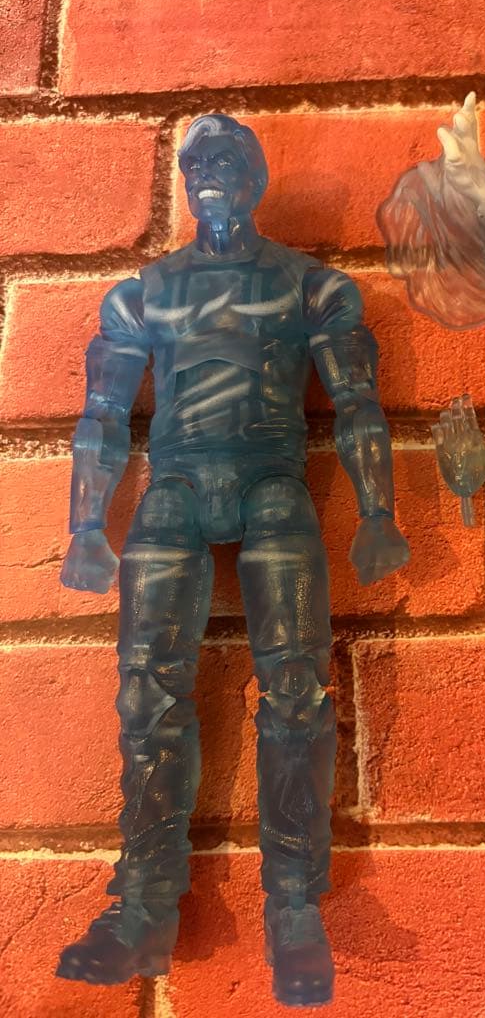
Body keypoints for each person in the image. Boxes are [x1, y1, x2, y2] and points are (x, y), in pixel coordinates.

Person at [56, 114, 410, 1007]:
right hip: (175, 483)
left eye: (226, 159)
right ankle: (144, 905)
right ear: (184, 182)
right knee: (146, 690)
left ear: (254, 179)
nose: (208, 172)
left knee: (296, 686)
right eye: (196, 162)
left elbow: (358, 400)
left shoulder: (312, 288)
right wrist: (86, 525)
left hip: (271, 480)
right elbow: (102, 414)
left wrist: (378, 511)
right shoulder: (144, 294)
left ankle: (294, 905)